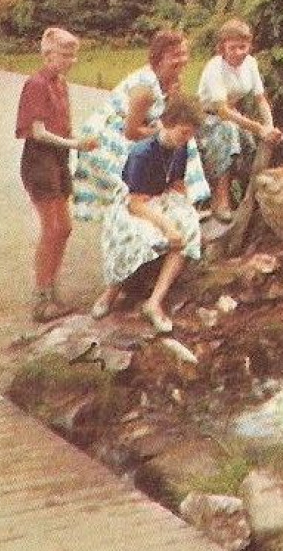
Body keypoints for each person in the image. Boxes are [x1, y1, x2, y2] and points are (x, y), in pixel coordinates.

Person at [91, 94, 205, 334]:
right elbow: (135, 204)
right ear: (167, 123)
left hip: (160, 200)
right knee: (139, 235)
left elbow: (175, 183)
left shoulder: (180, 147)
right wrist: (167, 225)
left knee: (189, 226)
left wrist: (185, 205)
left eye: (191, 133)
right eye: (184, 132)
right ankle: (112, 291)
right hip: (134, 205)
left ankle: (154, 302)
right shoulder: (142, 153)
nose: (188, 138)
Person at [71, 29, 211, 222]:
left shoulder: (172, 79)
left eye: (184, 53)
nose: (182, 60)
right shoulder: (145, 89)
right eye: (175, 56)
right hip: (112, 131)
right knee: (154, 149)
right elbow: (131, 132)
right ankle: (143, 208)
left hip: (146, 125)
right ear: (159, 59)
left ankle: (186, 204)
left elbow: (175, 115)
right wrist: (162, 132)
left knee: (186, 140)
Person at [16, 28, 99, 322]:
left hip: (59, 157)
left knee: (64, 227)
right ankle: (42, 296)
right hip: (40, 160)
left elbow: (63, 126)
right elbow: (38, 133)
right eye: (65, 55)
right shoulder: (36, 84)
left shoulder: (61, 83)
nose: (71, 60)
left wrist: (79, 141)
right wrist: (75, 144)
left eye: (73, 55)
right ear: (47, 54)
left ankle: (52, 288)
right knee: (51, 227)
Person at [196, 19, 283, 222]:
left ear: (250, 45)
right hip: (207, 120)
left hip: (232, 117)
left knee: (253, 145)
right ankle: (221, 201)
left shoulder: (251, 64)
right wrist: (258, 128)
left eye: (242, 47)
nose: (238, 52)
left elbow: (260, 99)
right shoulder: (215, 68)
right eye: (232, 47)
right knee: (228, 133)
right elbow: (222, 111)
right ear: (222, 47)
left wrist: (269, 126)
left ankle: (252, 199)